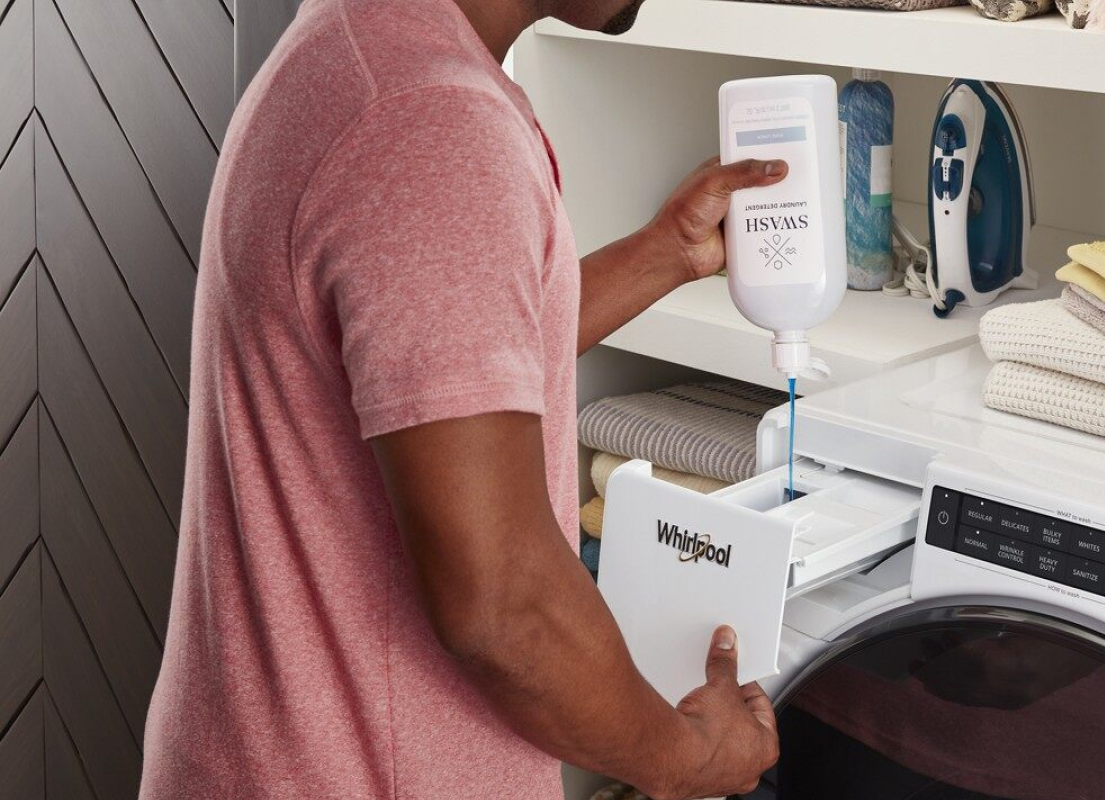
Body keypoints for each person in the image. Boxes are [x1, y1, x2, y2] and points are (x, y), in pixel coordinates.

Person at [138, 0, 783, 797]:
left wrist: (666, 253)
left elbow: (444, 370)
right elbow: (504, 605)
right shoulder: (432, 123)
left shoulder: (359, 44)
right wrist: (688, 758)